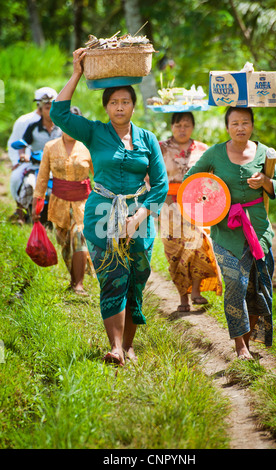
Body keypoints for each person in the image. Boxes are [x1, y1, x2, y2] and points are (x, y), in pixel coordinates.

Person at [50, 48, 168, 366]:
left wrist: (140, 214)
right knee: (112, 275)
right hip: (102, 212)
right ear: (107, 107)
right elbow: (59, 113)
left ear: (133, 106)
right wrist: (76, 71)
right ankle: (115, 347)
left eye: (125, 102)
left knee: (136, 276)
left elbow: (160, 185)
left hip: (139, 216)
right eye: (114, 102)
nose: (120, 107)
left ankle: (129, 344)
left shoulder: (148, 139)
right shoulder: (95, 132)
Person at [184, 106, 276, 360]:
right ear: (227, 127)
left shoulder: (265, 153)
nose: (241, 127)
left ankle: (249, 343)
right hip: (225, 230)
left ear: (252, 125)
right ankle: (239, 346)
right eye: (235, 123)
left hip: (259, 231)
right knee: (235, 286)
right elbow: (191, 180)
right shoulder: (215, 153)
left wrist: (265, 182)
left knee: (257, 287)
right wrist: (212, 200)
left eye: (245, 123)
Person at [159, 112, 222, 311]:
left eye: (186, 125)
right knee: (175, 252)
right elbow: (150, 175)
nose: (182, 129)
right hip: (168, 206)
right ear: (171, 127)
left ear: (192, 127)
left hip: (197, 206)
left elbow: (212, 179)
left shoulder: (203, 150)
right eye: (178, 125)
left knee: (197, 247)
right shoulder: (161, 148)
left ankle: (196, 291)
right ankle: (183, 298)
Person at [32, 106, 94, 295]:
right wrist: (37, 204)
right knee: (65, 244)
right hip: (58, 204)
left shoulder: (88, 147)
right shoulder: (51, 147)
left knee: (79, 237)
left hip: (83, 204)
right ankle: (74, 280)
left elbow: (98, 175)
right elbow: (42, 177)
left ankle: (79, 284)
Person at [7, 87, 57, 224]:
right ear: (40, 108)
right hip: (35, 164)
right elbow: (20, 143)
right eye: (46, 107)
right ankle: (20, 214)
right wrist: (21, 157)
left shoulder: (61, 127)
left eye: (52, 106)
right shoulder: (31, 125)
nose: (49, 110)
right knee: (27, 184)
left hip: (56, 167)